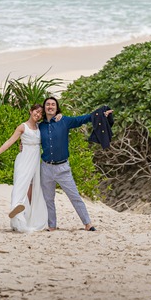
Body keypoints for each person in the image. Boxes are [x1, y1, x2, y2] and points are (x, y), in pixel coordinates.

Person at [37, 95, 112, 232]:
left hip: (62, 167)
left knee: (75, 197)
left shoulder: (64, 121)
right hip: (46, 167)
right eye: (47, 104)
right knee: (48, 199)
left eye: (53, 104)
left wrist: (101, 114)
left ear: (56, 107)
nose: (50, 106)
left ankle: (87, 224)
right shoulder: (39, 126)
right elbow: (29, 134)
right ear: (44, 108)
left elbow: (82, 119)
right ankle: (52, 226)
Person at [0, 104, 48, 232]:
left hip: (35, 162)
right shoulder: (22, 127)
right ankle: (16, 210)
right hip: (24, 160)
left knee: (32, 189)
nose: (38, 115)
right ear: (30, 111)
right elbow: (9, 141)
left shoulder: (39, 127)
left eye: (40, 114)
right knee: (20, 186)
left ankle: (27, 217)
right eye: (36, 112)